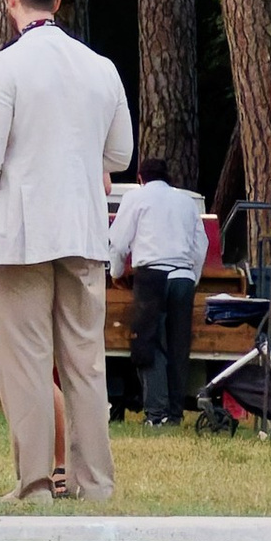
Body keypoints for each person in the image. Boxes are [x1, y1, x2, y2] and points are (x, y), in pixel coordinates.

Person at [0, 0, 133, 507]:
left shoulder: (1, 70)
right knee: (85, 360)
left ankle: (35, 483)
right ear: (56, 0)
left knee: (26, 361)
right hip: (81, 229)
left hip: (17, 231)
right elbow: (121, 154)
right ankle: (94, 483)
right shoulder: (100, 67)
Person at [107, 150, 208, 429]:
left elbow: (117, 243)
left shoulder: (136, 198)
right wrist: (193, 278)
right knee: (178, 347)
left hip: (152, 276)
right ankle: (174, 414)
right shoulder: (185, 202)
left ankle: (156, 414)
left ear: (141, 179)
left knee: (149, 345)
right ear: (168, 179)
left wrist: (116, 274)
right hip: (184, 278)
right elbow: (201, 245)